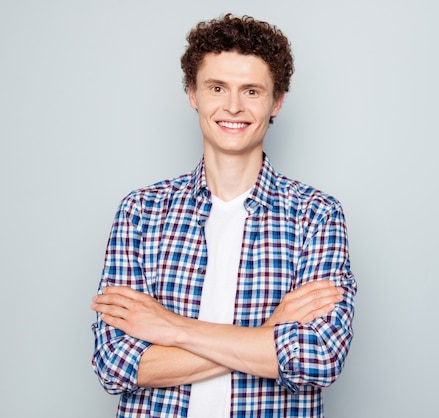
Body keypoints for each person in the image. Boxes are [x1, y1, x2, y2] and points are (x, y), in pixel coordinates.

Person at [90, 13, 357, 418]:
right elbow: (116, 365)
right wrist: (269, 332)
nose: (233, 106)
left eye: (251, 90)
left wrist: (171, 328)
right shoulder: (141, 212)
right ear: (193, 94)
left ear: (277, 101)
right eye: (217, 87)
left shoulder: (316, 215)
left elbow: (317, 358)